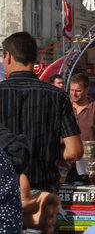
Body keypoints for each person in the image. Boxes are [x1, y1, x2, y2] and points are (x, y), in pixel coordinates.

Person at [0, 32, 83, 198]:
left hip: (3, 192)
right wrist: (52, 151)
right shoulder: (57, 96)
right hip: (41, 193)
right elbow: (74, 151)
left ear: (8, 56)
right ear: (35, 57)